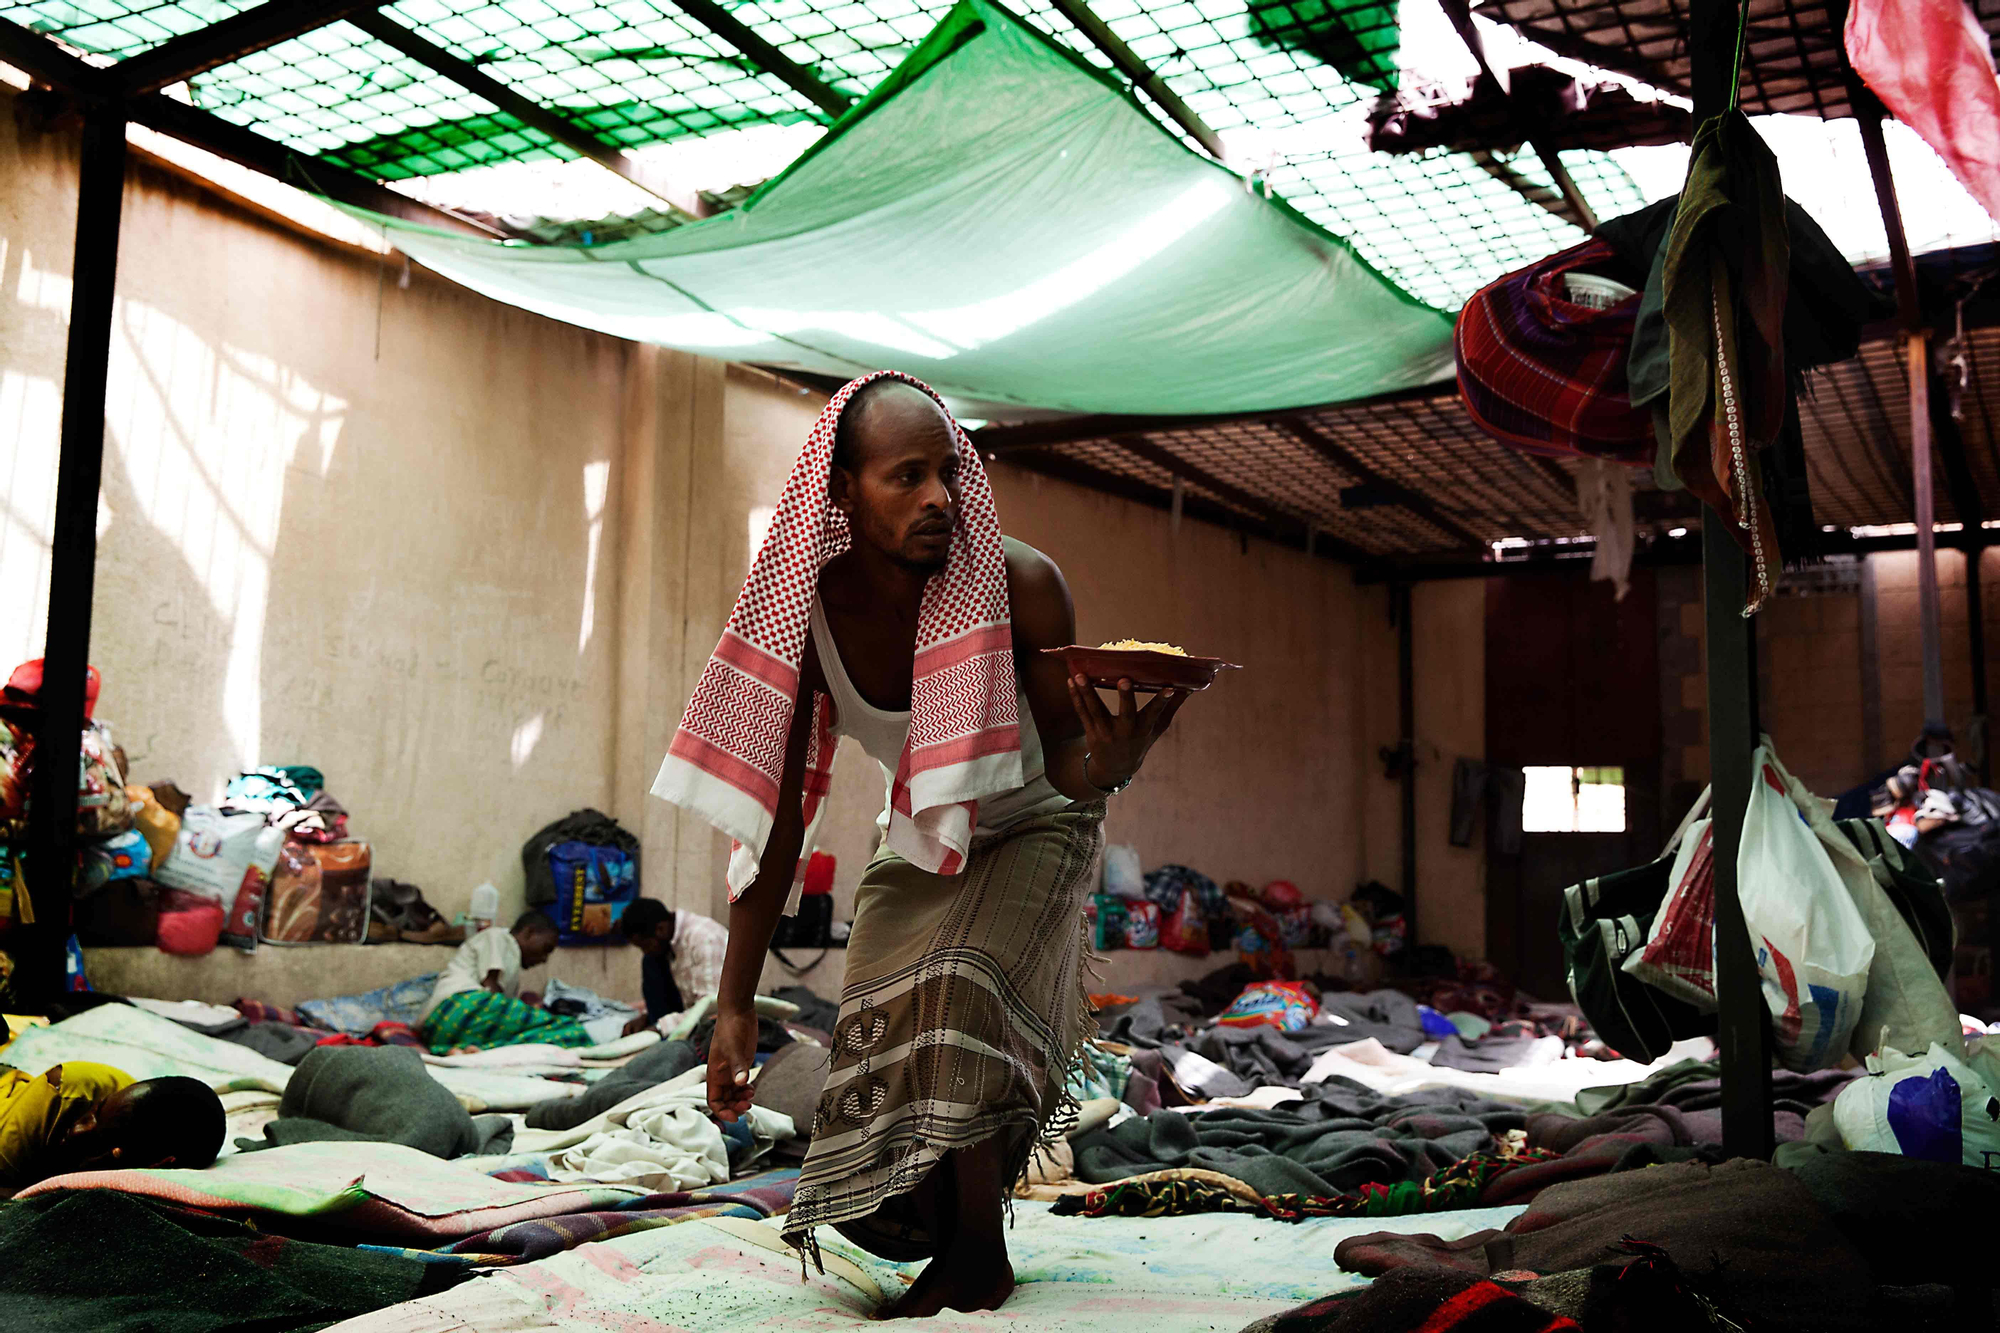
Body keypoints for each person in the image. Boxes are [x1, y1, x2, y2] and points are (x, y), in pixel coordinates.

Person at [652, 372, 1190, 1316]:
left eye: (949, 472)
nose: (940, 495)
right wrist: (733, 1003)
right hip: (928, 822)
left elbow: (1071, 763)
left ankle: (981, 1253)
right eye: (907, 476)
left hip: (1040, 816)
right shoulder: (809, 616)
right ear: (843, 492)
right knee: (877, 990)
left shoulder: (1023, 584)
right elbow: (774, 821)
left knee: (957, 977)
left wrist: (1117, 759)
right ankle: (913, 1212)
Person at [0, 1062, 224, 1195]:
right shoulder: (21, 1132)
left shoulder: (134, 1127)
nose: (77, 1130)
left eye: (101, 1140)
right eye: (95, 1112)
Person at [417, 911, 592, 1055]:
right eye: (546, 949)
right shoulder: (497, 936)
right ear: (529, 932)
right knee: (569, 1029)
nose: (544, 959)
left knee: (531, 1038)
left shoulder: (512, 964)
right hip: (461, 1005)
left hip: (438, 1031)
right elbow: (490, 984)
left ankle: (465, 1052)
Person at [617, 898, 730, 1036]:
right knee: (650, 961)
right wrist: (646, 1018)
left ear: (661, 929)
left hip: (719, 1023)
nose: (645, 951)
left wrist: (660, 1028)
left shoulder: (705, 940)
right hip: (689, 1014)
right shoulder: (668, 944)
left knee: (651, 960)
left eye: (645, 945)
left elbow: (712, 1010)